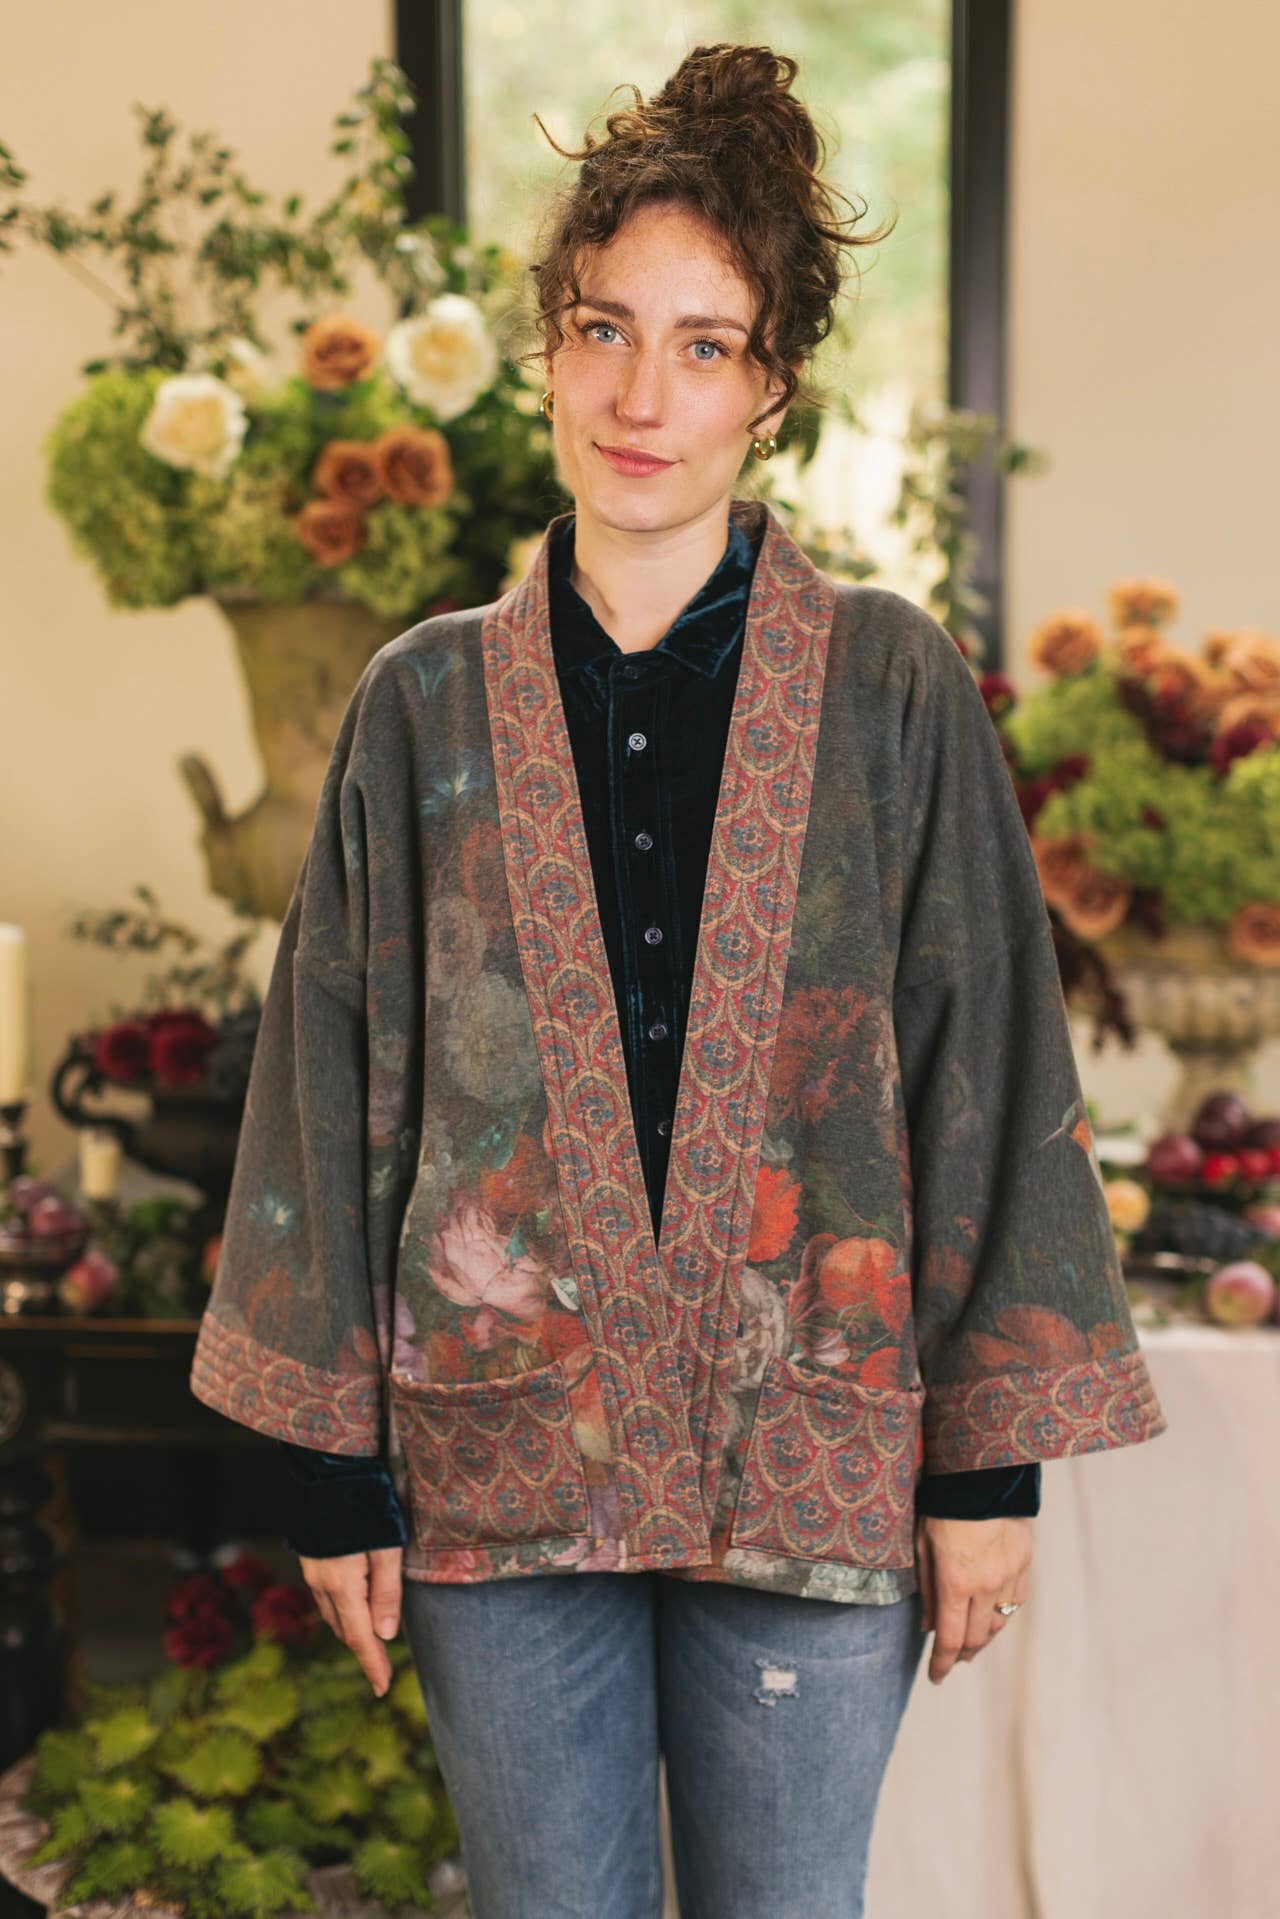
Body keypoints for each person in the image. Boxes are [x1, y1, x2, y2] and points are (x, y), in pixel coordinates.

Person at [191, 43, 1167, 1919]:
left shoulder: (890, 686)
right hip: (495, 1461)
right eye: (603, 332)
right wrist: (331, 1468)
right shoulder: (419, 704)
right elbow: (325, 1082)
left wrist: (987, 1476)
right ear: (548, 350)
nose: (643, 397)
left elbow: (987, 1058)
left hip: (814, 1455)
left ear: (771, 386)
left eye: (704, 346)